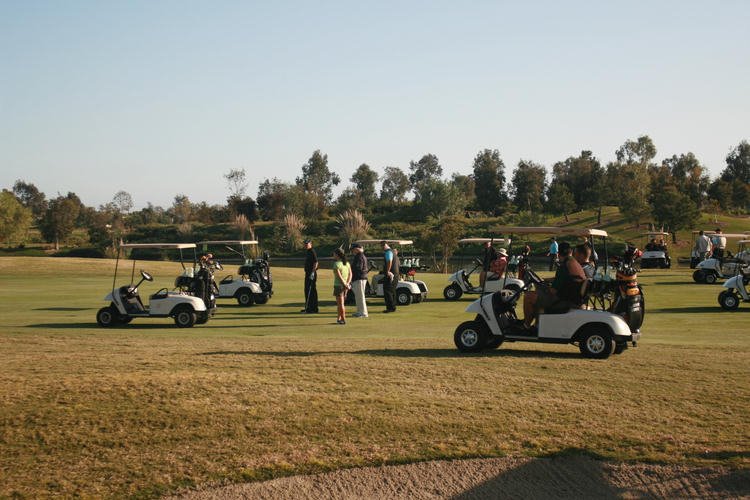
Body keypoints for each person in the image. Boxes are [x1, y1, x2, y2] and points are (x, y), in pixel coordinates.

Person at [523, 242, 586, 328]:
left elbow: (553, 291)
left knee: (529, 296)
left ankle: (526, 326)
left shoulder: (564, 266)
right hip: (573, 298)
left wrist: (543, 288)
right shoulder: (573, 262)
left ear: (558, 253)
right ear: (571, 251)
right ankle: (537, 325)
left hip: (565, 301)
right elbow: (563, 279)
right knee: (538, 295)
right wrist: (544, 280)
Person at [332, 247, 352, 324]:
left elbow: (339, 277)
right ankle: (339, 319)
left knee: (341, 304)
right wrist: (347, 283)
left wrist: (345, 284)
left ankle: (343, 320)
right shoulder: (347, 263)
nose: (333, 255)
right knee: (340, 304)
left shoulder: (336, 264)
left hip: (339, 286)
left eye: (334, 254)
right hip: (345, 286)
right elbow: (350, 274)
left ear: (337, 255)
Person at [350, 243, 369, 318]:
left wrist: (350, 271)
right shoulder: (359, 256)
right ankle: (359, 311)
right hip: (359, 278)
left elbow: (358, 268)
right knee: (358, 296)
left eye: (353, 250)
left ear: (357, 249)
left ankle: (363, 313)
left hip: (359, 278)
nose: (352, 251)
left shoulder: (359, 256)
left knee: (360, 296)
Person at [381, 240, 399, 313]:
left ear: (386, 245)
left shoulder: (388, 252)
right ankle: (393, 307)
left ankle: (390, 308)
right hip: (395, 274)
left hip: (390, 274)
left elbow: (389, 261)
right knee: (392, 291)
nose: (381, 247)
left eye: (382, 246)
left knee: (387, 291)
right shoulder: (393, 252)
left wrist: (387, 271)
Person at [302, 239, 318, 314]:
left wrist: (313, 272)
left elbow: (316, 262)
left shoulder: (312, 251)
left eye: (307, 244)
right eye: (305, 244)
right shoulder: (308, 252)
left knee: (311, 291)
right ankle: (308, 307)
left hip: (311, 274)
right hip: (308, 273)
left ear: (310, 244)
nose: (305, 245)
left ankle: (313, 308)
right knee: (307, 290)